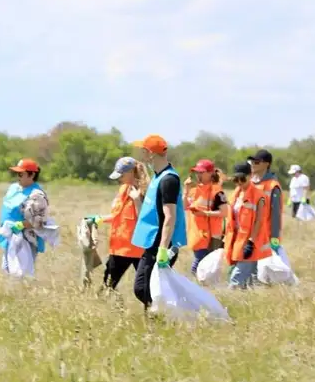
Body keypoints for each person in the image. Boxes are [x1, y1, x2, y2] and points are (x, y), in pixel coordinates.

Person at [130, 134, 187, 314]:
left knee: (144, 289)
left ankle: (173, 312)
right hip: (152, 242)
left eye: (143, 151)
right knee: (148, 289)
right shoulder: (158, 177)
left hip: (161, 245)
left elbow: (170, 217)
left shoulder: (168, 180)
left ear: (150, 153)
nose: (141, 155)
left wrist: (163, 249)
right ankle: (157, 322)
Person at [86, 157, 149, 291]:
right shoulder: (123, 189)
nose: (119, 178)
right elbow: (118, 215)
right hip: (120, 246)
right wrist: (99, 218)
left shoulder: (145, 191)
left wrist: (137, 200)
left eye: (122, 175)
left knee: (145, 287)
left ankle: (152, 311)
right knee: (108, 283)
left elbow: (145, 220)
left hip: (138, 248)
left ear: (132, 172)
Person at [0, 159, 50, 273]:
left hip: (26, 239)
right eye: (17, 173)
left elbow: (40, 220)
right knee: (7, 270)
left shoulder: (37, 195)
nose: (18, 176)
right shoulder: (14, 188)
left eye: (21, 174)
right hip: (10, 237)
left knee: (21, 273)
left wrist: (21, 225)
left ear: (31, 175)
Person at [224, 162, 271, 289]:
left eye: (242, 179)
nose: (239, 182)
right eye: (235, 179)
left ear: (250, 176)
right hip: (237, 240)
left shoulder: (260, 196)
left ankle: (227, 303)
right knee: (248, 280)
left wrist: (251, 242)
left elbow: (259, 221)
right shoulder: (235, 194)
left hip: (250, 242)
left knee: (236, 278)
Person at [183, 159, 228, 275]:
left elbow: (224, 212)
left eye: (201, 172)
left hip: (212, 236)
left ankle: (196, 285)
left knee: (205, 264)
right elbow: (184, 206)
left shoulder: (217, 191)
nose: (198, 175)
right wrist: (186, 191)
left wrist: (205, 214)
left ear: (210, 173)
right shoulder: (193, 190)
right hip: (196, 234)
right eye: (197, 172)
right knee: (202, 263)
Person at [248, 149, 282, 254]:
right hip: (248, 236)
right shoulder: (249, 183)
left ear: (267, 164)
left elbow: (275, 215)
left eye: (257, 162)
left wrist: (275, 239)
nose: (253, 165)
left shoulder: (273, 186)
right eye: (252, 162)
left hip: (264, 238)